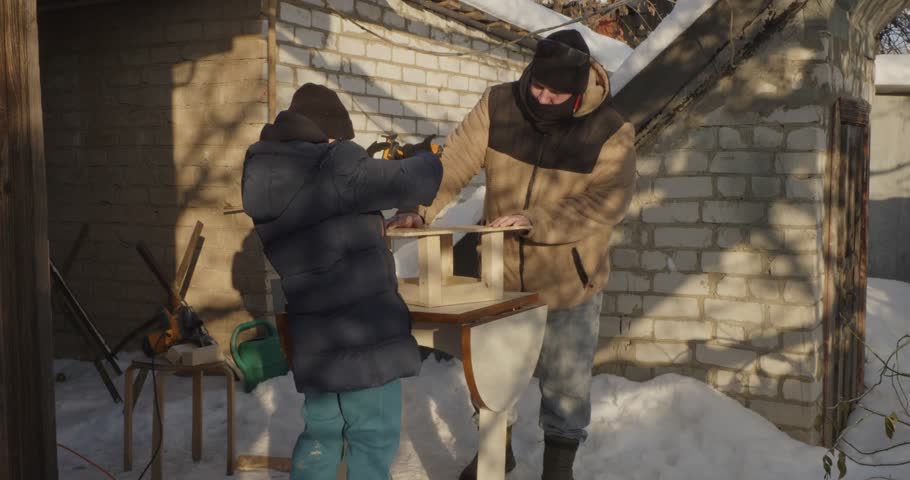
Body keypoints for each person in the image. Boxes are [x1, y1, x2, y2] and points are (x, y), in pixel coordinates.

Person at [387, 30, 637, 480]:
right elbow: (453, 161)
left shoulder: (611, 130)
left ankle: (558, 468)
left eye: (555, 92)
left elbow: (607, 200)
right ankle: (494, 455)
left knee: (565, 383)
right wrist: (417, 208)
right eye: (537, 86)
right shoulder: (500, 104)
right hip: (498, 274)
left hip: (568, 278)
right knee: (488, 372)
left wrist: (535, 220)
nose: (542, 98)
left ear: (578, 92)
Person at [241, 83, 443, 480]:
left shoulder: (266, 172)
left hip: (316, 338)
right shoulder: (332, 164)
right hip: (364, 336)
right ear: (328, 134)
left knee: (321, 436)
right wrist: (429, 156)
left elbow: (321, 227)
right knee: (372, 438)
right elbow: (411, 179)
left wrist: (367, 226)